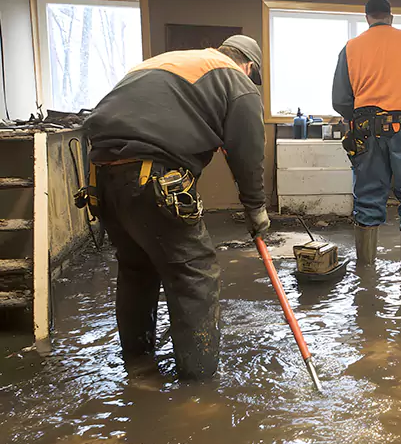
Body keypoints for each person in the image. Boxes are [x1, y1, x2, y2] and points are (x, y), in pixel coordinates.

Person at [82, 35, 270, 380]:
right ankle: (197, 389)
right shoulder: (236, 79)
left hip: (101, 177)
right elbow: (248, 151)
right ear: (249, 64)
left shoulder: (166, 61)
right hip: (153, 175)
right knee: (194, 275)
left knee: (137, 270)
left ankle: (138, 367)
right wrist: (256, 208)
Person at [332, 0, 401, 268]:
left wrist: (356, 120)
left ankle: (366, 277)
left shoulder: (351, 48)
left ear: (367, 18)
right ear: (391, 17)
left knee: (367, 199)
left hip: (366, 133)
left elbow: (341, 100)